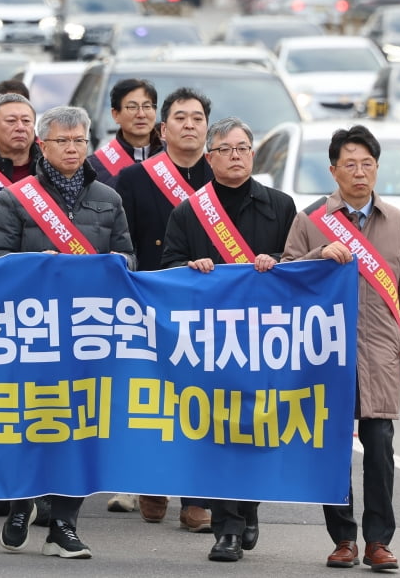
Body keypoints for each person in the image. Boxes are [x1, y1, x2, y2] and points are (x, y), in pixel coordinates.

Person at [0, 105, 135, 559]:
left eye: (79, 141)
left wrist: (107, 265)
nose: (72, 149)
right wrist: (39, 266)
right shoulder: (17, 198)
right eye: (62, 141)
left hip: (89, 334)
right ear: (42, 146)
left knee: (80, 429)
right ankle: (21, 499)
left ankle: (64, 525)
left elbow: (128, 260)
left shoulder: (108, 199)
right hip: (32, 333)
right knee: (31, 421)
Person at [282, 125, 400, 572]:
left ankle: (378, 542)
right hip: (326, 352)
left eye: (367, 164)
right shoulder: (310, 220)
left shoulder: (399, 223)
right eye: (350, 164)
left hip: (380, 352)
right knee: (332, 450)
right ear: (333, 170)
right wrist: (319, 254)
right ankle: (342, 538)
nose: (360, 172)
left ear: (377, 168)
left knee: (380, 449)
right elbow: (286, 276)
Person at [160, 117, 296, 563]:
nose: (236, 155)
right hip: (210, 344)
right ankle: (227, 529)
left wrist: (274, 261)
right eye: (226, 149)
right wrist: (191, 268)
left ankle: (249, 508)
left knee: (257, 430)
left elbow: (298, 264)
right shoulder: (188, 211)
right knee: (217, 431)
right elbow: (169, 269)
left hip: (264, 340)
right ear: (210, 157)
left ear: (252, 154)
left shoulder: (280, 205)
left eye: (243, 148)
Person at [113, 87, 214, 530]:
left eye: (197, 118)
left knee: (204, 402)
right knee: (155, 398)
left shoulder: (223, 173)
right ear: (162, 128)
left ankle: (198, 497)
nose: (189, 124)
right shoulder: (136, 179)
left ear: (207, 127)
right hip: (151, 304)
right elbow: (126, 243)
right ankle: (152, 482)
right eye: (180, 117)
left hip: (210, 308)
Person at [91, 79, 165, 188]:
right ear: (115, 114)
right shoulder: (96, 166)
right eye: (132, 107)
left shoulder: (173, 155)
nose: (141, 114)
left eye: (147, 106)